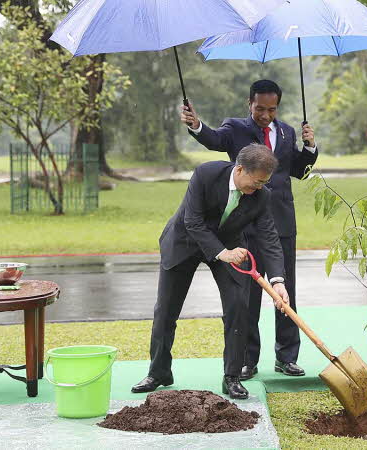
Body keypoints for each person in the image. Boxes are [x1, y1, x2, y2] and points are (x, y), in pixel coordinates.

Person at [181, 79, 318, 380]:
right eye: (260, 109)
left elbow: (299, 171)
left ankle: (287, 356)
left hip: (282, 223)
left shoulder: (286, 132)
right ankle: (247, 359)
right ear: (249, 103)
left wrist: (309, 147)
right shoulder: (235, 129)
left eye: (271, 109)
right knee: (249, 294)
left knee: (284, 290)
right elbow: (213, 140)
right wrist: (196, 124)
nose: (265, 115)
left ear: (277, 107)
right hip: (246, 224)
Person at [131, 144, 290, 400]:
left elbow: (269, 237)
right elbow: (192, 221)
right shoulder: (206, 174)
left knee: (239, 306)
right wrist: (222, 253)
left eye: (264, 183)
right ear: (240, 169)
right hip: (184, 242)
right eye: (257, 181)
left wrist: (278, 281)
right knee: (166, 310)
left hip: (229, 246)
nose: (259, 187)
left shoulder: (262, 195)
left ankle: (232, 376)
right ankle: (159, 372)